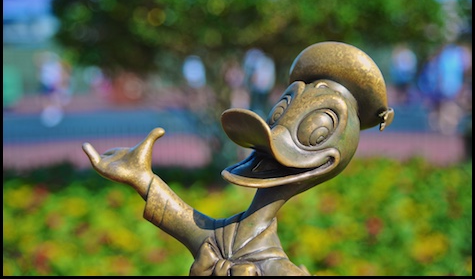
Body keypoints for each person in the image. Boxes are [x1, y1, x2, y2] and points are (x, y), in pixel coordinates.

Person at [82, 42, 393, 276]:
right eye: (279, 113)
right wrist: (142, 177)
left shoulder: (278, 268)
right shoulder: (224, 235)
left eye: (317, 127)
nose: (271, 146)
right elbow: (183, 219)